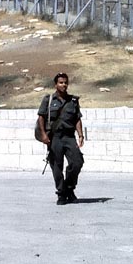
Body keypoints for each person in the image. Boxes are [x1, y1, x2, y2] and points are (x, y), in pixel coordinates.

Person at [37, 72, 85, 206]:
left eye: (65, 82)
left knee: (77, 162)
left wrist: (80, 135)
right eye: (61, 82)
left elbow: (77, 119)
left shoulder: (73, 101)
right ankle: (61, 193)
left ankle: (69, 187)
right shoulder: (49, 100)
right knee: (56, 166)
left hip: (69, 137)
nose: (63, 85)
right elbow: (41, 117)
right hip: (55, 138)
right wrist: (44, 135)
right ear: (56, 84)